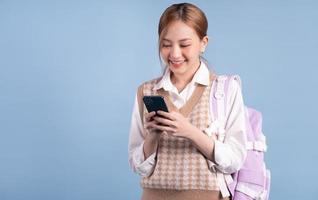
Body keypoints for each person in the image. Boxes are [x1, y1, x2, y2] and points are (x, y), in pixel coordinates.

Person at [128, 3, 247, 200]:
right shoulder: (146, 92)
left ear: (203, 43)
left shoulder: (225, 90)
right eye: (166, 45)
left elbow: (235, 159)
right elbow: (138, 166)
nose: (174, 54)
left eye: (184, 45)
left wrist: (190, 132)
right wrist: (153, 136)